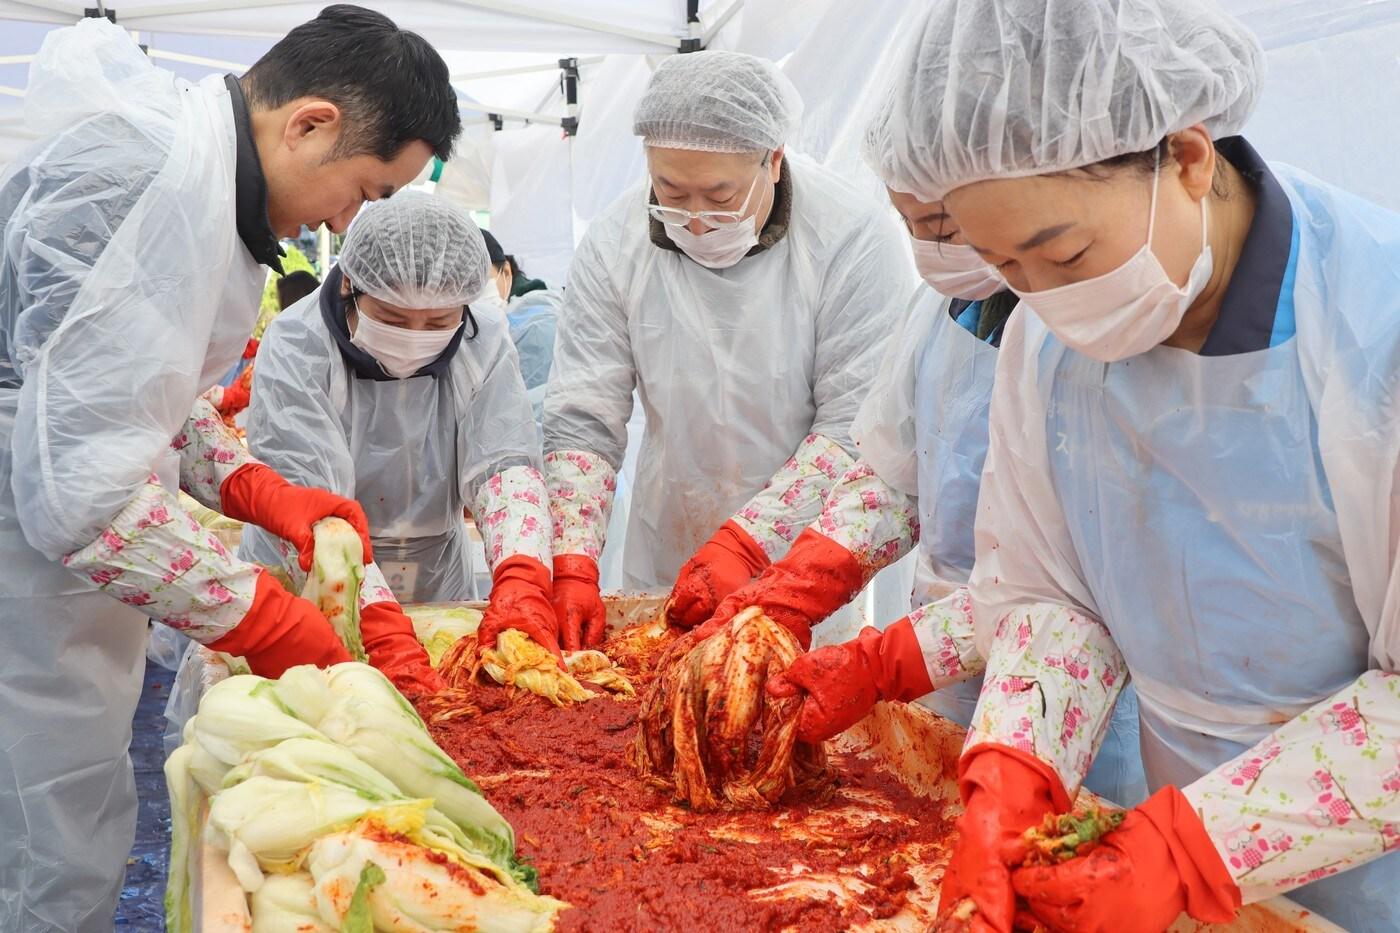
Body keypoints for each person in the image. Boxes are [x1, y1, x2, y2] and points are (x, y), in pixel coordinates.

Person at [875, 0, 1400, 930]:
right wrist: (1015, 772)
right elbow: (1053, 594)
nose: (1042, 301)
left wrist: (1194, 849)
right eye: (1005, 268)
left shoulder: (1377, 332)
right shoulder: (1040, 345)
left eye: (1063, 252)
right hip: (1162, 854)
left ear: (1190, 157)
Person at [0, 7, 459, 929]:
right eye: (366, 189)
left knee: (70, 817)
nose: (351, 219)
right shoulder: (140, 182)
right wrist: (261, 614)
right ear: (310, 124)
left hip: (56, 548)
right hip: (28, 549)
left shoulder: (203, 186)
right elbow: (82, 487)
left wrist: (252, 485)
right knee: (41, 838)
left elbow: (135, 390)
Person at [696, 170, 1147, 807]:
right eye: (910, 226)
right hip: (938, 666)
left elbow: (1078, 583)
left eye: (940, 226)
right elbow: (894, 473)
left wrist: (887, 660)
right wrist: (797, 584)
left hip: (1073, 697)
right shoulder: (940, 306)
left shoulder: (1095, 329)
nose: (928, 247)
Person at [543, 50, 910, 651]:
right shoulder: (616, 240)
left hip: (805, 559)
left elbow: (855, 425)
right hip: (667, 545)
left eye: (718, 195)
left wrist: (747, 541)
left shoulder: (852, 238)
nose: (693, 219)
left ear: (774, 158)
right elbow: (584, 416)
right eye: (669, 189)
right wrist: (574, 561)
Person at [241, 191, 556, 694]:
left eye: (436, 323)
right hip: (311, 579)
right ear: (350, 284)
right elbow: (313, 504)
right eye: (391, 317)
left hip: (439, 570)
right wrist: (382, 626)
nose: (415, 336)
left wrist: (522, 576)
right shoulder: (298, 345)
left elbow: (504, 465)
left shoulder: (482, 337)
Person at [478, 229, 561, 419]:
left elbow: (536, 415)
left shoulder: (537, 320)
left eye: (479, 277)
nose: (469, 291)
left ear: (506, 273)